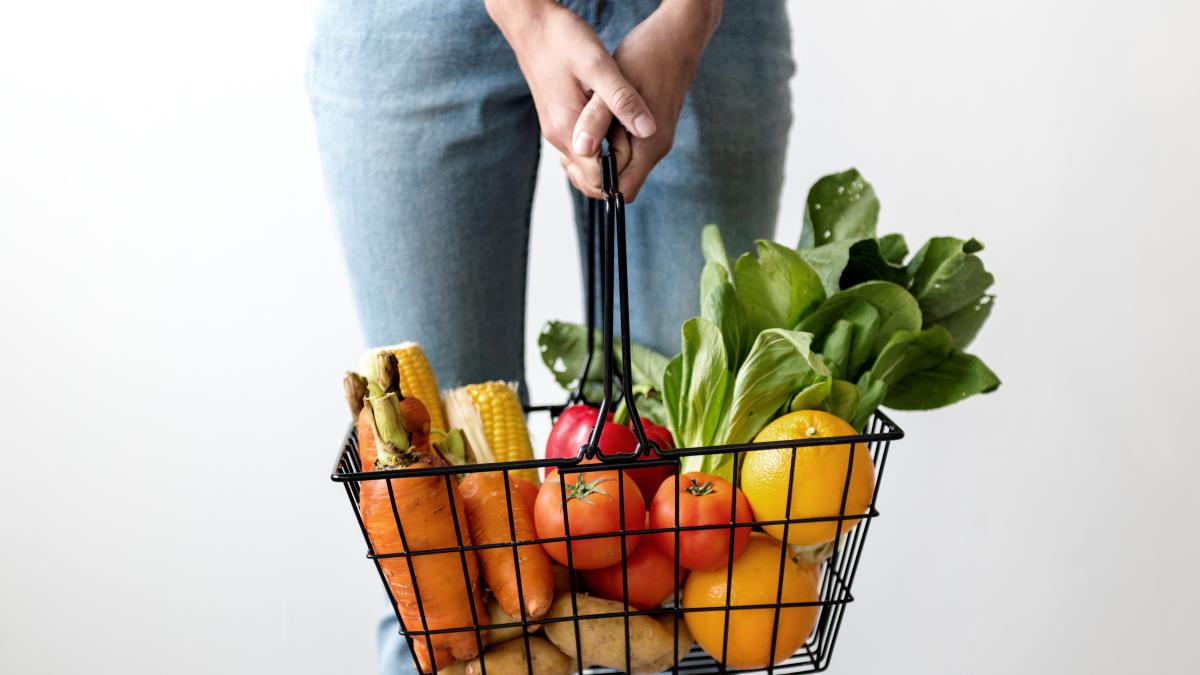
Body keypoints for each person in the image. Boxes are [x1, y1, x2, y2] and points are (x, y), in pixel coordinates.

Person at [307, 1, 793, 672]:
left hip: (688, 22)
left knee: (697, 585)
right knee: (439, 580)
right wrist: (527, 14)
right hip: (418, 25)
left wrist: (694, 13)